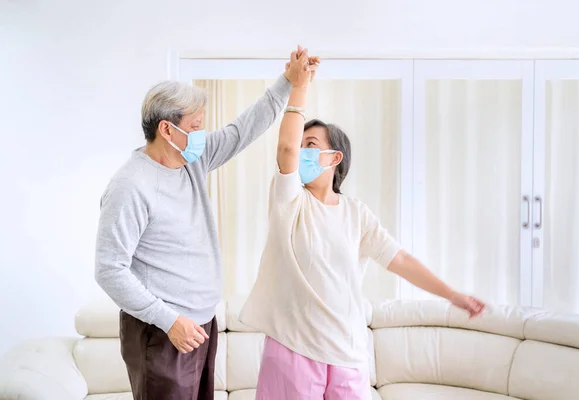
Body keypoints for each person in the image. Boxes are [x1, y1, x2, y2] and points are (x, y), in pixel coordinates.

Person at [239, 50, 486, 399]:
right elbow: (285, 150)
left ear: (334, 158)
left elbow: (400, 261)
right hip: (293, 349)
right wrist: (300, 85)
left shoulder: (357, 214)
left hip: (348, 353)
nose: (302, 151)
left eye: (312, 145)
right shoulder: (290, 200)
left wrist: (452, 295)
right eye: (302, 144)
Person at [94, 48, 318, 400]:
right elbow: (109, 269)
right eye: (195, 127)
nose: (203, 134)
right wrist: (170, 321)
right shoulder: (130, 186)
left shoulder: (191, 160)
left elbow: (243, 129)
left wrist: (288, 82)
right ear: (167, 130)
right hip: (161, 332)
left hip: (201, 324)